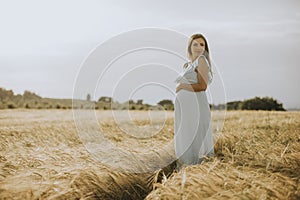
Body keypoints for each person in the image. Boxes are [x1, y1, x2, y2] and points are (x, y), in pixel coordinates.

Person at [174, 33, 214, 171]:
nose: (198, 47)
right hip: (186, 110)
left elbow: (202, 86)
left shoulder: (201, 60)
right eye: (195, 44)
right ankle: (185, 172)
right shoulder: (188, 65)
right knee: (185, 138)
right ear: (190, 47)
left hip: (196, 108)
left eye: (201, 45)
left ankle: (196, 174)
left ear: (205, 48)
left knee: (195, 139)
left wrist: (182, 87)